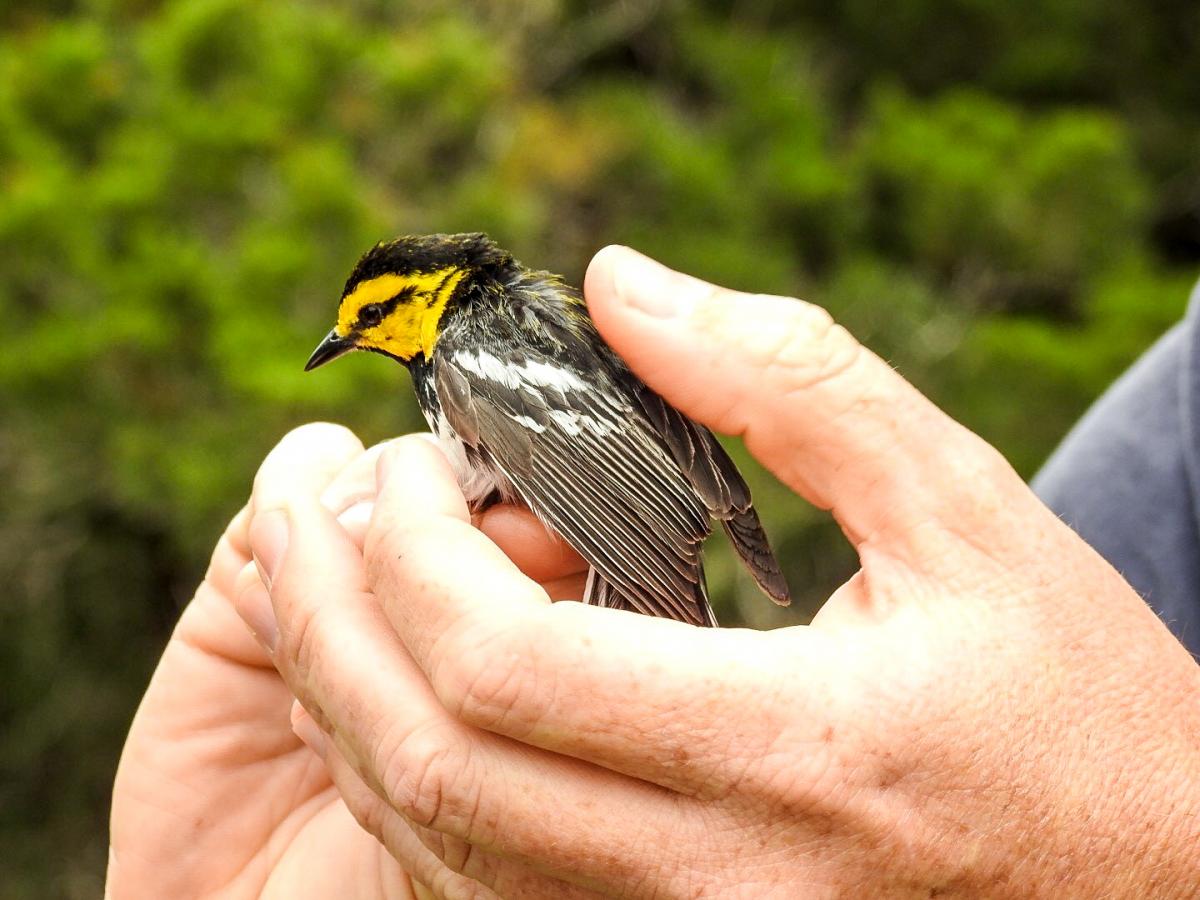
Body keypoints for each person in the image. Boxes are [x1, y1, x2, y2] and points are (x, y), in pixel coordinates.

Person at [106, 247, 1200, 898]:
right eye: (355, 329)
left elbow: (576, 449)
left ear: (423, 298)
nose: (363, 338)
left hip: (621, 522)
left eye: (374, 319)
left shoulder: (475, 340)